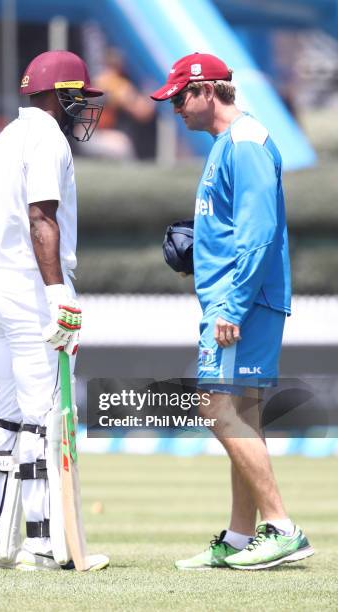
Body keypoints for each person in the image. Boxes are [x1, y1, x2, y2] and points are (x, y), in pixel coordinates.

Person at [151, 53, 314, 570]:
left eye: (180, 96)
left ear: (208, 90)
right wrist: (203, 250)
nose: (175, 107)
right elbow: (237, 228)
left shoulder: (244, 143)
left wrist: (232, 304)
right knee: (240, 413)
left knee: (217, 409)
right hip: (235, 299)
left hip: (239, 304)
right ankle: (243, 539)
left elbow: (260, 233)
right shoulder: (229, 144)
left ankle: (282, 528)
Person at [0, 50, 108, 571]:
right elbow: (41, 217)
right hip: (31, 287)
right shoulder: (47, 138)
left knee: (7, 416)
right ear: (58, 94)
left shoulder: (5, 136)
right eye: (78, 98)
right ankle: (43, 544)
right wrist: (58, 296)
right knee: (45, 419)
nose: (82, 109)